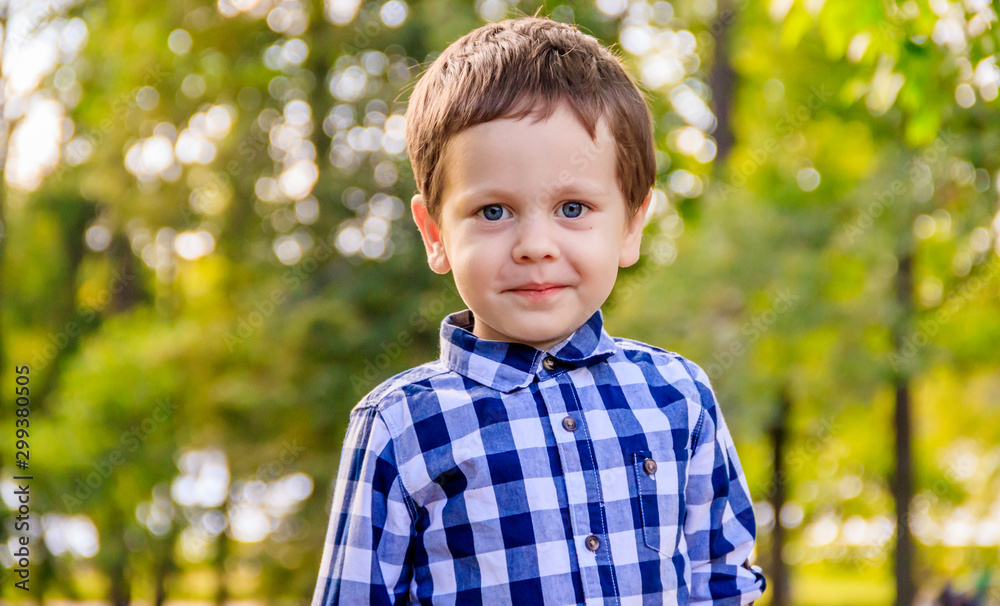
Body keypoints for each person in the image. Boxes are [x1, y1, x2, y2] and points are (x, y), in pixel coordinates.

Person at [312, 13, 766, 605]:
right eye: (493, 211)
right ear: (436, 234)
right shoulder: (400, 427)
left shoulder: (678, 396)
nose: (535, 245)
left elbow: (722, 580)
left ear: (632, 225)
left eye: (573, 208)